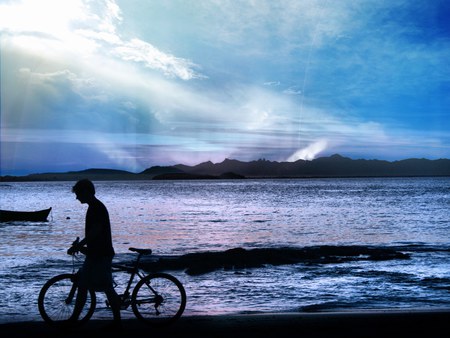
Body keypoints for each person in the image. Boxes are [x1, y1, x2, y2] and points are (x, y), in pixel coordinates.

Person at [67, 179, 121, 329]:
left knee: (106, 287)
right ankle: (74, 319)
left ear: (85, 192)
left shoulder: (96, 208)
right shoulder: (94, 207)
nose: (77, 197)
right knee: (83, 285)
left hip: (101, 254)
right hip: (96, 254)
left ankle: (117, 322)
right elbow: (94, 233)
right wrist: (83, 246)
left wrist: (80, 245)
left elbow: (96, 231)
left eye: (78, 194)